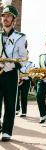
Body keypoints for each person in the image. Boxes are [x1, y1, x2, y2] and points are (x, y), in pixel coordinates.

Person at [0, 3, 28, 141]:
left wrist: (11, 64)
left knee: (10, 104)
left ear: (13, 20)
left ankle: (6, 131)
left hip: (11, 74)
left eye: (9, 16)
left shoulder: (20, 37)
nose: (5, 18)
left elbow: (23, 59)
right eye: (4, 15)